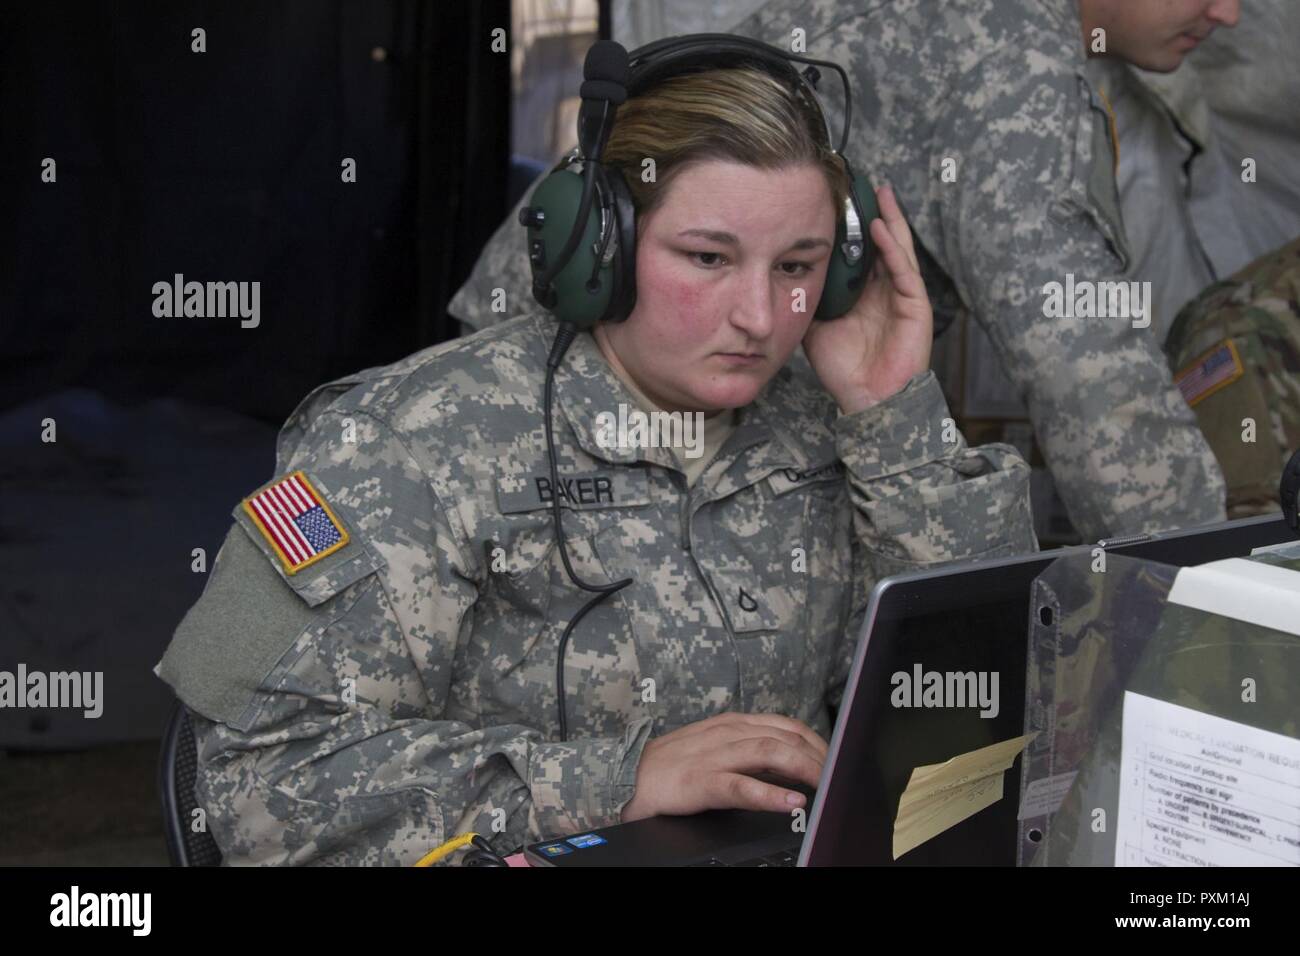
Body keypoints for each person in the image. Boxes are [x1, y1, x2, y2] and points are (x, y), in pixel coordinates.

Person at [155, 42, 1037, 865]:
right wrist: (619, 781)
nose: (763, 318)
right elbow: (250, 789)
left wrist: (894, 418)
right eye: (707, 257)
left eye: (799, 265)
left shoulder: (830, 425)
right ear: (596, 247)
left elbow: (974, 718)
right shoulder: (394, 440)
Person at [448, 0, 1240, 543]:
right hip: (591, 383)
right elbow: (1092, 381)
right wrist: (1214, 603)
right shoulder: (1010, 54)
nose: (1230, 12)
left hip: (541, 355)